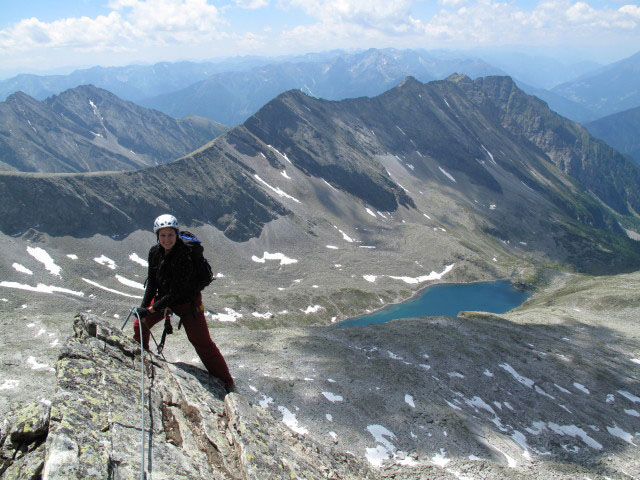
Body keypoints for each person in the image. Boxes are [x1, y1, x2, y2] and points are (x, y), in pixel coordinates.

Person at [133, 214, 234, 393]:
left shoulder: (184, 255)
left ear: (176, 234)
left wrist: (151, 309)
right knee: (139, 324)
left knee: (202, 343)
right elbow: (153, 282)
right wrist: (143, 308)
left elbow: (177, 292)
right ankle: (140, 359)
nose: (166, 239)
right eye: (162, 235)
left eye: (170, 235)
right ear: (157, 236)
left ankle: (228, 385)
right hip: (165, 298)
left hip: (188, 302)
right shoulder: (154, 252)